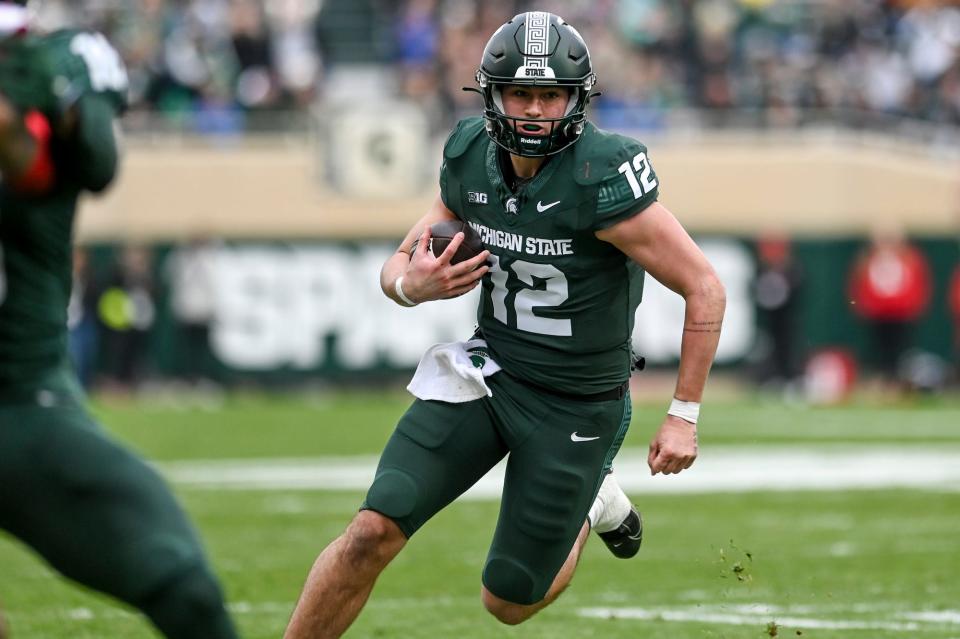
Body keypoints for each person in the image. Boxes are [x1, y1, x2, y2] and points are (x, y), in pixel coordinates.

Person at [285, 11, 726, 637]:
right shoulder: (470, 156)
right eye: (521, 92)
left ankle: (589, 500)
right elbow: (397, 265)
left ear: (576, 100)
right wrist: (412, 286)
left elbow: (704, 286)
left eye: (550, 95)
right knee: (370, 530)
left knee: (509, 601)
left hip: (575, 404)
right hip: (489, 374)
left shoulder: (602, 176)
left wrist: (685, 413)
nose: (535, 110)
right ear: (492, 94)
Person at [0, 3, 238, 637]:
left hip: (19, 403)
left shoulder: (47, 67)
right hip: (22, 407)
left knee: (184, 588)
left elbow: (95, 160)